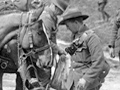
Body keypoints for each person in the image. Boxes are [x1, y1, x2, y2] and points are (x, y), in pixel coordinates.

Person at [58, 6, 110, 90]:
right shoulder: (75, 36)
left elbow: (98, 62)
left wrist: (86, 79)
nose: (67, 28)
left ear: (75, 22)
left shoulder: (92, 38)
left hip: (86, 84)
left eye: (68, 25)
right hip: (74, 82)